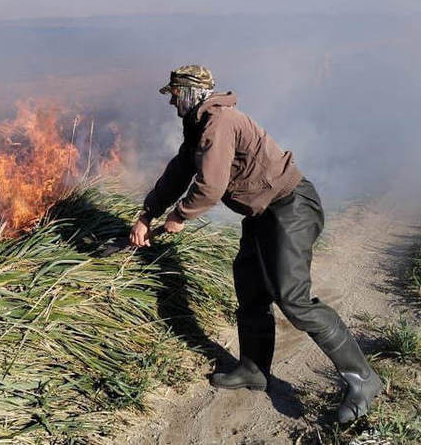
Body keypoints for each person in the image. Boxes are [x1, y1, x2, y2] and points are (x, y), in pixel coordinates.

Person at [129, 65, 381, 423]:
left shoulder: (219, 123)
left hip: (290, 207)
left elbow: (211, 186)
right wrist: (148, 213)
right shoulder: (199, 125)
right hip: (262, 214)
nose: (171, 101)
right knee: (250, 287)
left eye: (174, 94)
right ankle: (253, 368)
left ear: (192, 92)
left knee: (293, 298)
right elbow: (179, 172)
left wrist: (180, 216)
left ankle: (362, 378)